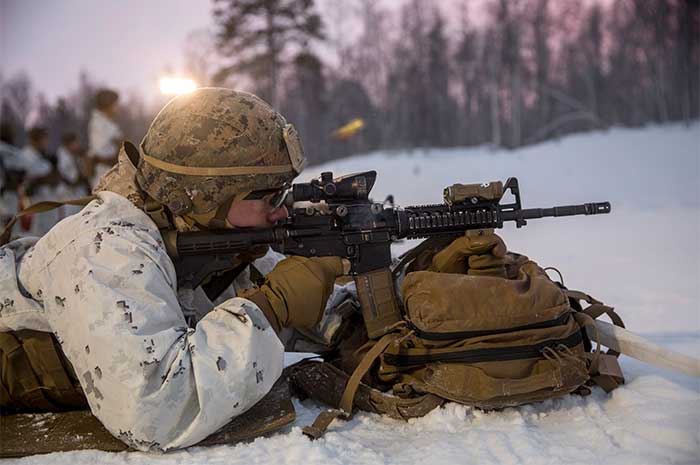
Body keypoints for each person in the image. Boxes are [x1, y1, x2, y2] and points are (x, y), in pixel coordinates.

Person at [0, 88, 346, 451]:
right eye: (270, 196)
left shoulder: (204, 235)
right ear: (208, 195)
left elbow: (317, 312)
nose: (282, 211)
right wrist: (270, 306)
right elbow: (157, 411)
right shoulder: (105, 250)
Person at [19, 126, 61, 236]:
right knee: (33, 236)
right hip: (34, 203)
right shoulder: (26, 155)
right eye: (44, 139)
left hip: (47, 203)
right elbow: (29, 180)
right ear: (35, 139)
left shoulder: (44, 157)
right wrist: (44, 178)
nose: (46, 143)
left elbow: (54, 177)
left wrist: (48, 178)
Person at [87, 88, 123, 188]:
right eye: (115, 105)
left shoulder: (108, 123)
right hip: (104, 174)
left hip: (111, 172)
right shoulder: (98, 124)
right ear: (108, 105)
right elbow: (100, 153)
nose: (117, 108)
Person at [55, 132, 89, 217]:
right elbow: (72, 180)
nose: (77, 145)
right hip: (68, 195)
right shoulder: (63, 157)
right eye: (75, 143)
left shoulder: (75, 156)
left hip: (78, 195)